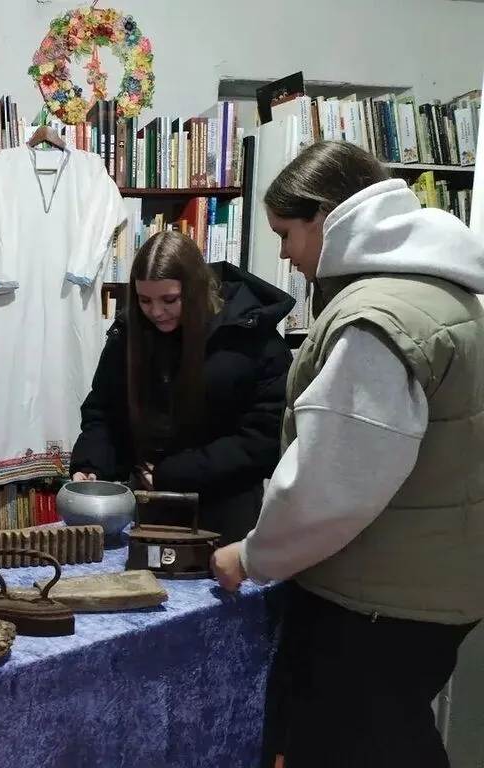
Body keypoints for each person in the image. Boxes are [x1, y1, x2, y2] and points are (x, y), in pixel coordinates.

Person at [211, 140, 484, 768]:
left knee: (353, 745)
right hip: (435, 580)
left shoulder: (375, 321)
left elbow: (332, 483)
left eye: (286, 233)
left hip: (377, 600)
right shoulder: (445, 292)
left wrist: (251, 555)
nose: (284, 254)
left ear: (325, 219)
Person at [69, 230, 295, 543]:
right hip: (146, 503)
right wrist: (92, 464)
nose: (156, 311)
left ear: (195, 290)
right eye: (144, 300)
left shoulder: (252, 339)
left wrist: (174, 473)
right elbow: (103, 411)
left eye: (169, 300)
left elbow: (263, 439)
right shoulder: (129, 333)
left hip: (225, 510)